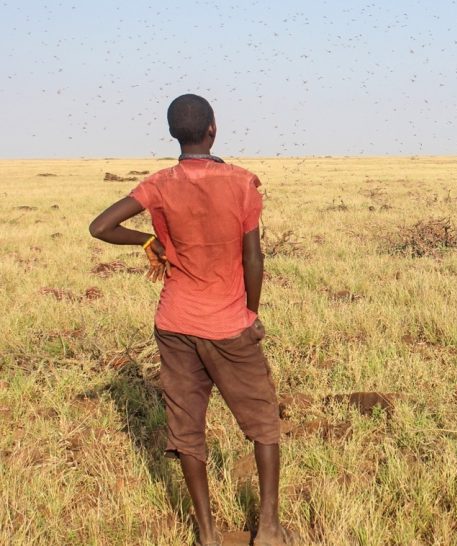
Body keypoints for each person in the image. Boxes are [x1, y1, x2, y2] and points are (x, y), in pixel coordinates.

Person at [89, 94, 291, 546]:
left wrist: (147, 241)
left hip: (176, 323)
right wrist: (250, 314)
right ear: (213, 128)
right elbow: (253, 257)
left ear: (173, 133)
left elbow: (99, 227)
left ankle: (206, 534)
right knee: (262, 424)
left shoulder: (159, 184)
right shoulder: (241, 183)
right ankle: (269, 528)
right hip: (228, 324)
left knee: (187, 429)